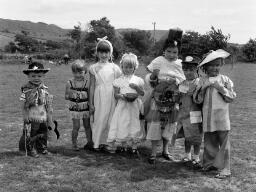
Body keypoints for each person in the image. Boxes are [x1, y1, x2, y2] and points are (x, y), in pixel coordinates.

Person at [193, 49, 236, 179]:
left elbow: (231, 98)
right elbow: (197, 100)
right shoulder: (201, 80)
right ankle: (210, 163)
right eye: (211, 65)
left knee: (224, 143)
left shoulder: (225, 80)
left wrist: (221, 88)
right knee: (209, 141)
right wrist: (204, 88)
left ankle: (226, 168)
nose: (215, 68)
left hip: (222, 118)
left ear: (221, 65)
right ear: (205, 67)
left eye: (217, 65)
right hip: (208, 117)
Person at [144, 29, 186, 164]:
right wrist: (155, 76)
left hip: (173, 99)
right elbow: (150, 77)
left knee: (170, 124)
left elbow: (184, 81)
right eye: (169, 51)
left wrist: (176, 82)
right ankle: (153, 152)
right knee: (155, 124)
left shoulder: (180, 64)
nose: (171, 54)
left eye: (174, 52)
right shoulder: (158, 60)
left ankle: (165, 150)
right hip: (158, 97)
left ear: (178, 52)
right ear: (164, 51)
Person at [107, 53, 145, 154]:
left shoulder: (138, 80)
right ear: (122, 67)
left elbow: (142, 93)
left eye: (130, 67)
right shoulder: (118, 81)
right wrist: (123, 97)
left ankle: (134, 146)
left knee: (134, 124)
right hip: (123, 106)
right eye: (125, 67)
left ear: (134, 68)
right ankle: (123, 144)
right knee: (123, 124)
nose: (127, 69)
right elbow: (116, 95)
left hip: (134, 106)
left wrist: (136, 88)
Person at [89, 36, 122, 151]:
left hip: (112, 96)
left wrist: (118, 99)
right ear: (97, 53)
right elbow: (92, 85)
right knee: (100, 118)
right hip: (99, 96)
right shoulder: (93, 68)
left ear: (110, 53)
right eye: (101, 52)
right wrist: (90, 102)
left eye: (106, 52)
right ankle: (97, 143)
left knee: (111, 119)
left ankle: (110, 143)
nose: (104, 55)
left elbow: (119, 84)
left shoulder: (115, 68)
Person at [173, 55, 203, 169]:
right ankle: (187, 156)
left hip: (196, 114)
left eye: (190, 69)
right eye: (185, 69)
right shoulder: (182, 83)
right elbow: (177, 100)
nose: (188, 72)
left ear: (196, 69)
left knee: (196, 136)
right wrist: (177, 95)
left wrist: (193, 93)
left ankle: (196, 157)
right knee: (187, 136)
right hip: (184, 114)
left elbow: (200, 99)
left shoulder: (199, 83)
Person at [20, 62, 54, 157]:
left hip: (42, 114)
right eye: (33, 76)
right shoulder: (26, 90)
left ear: (43, 76)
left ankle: (42, 148)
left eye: (39, 76)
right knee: (31, 133)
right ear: (28, 76)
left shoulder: (44, 89)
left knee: (43, 131)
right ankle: (31, 149)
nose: (36, 78)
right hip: (31, 114)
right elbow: (22, 104)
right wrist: (25, 115)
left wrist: (49, 112)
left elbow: (47, 101)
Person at [65, 59, 93, 151]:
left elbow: (90, 96)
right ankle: (74, 144)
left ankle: (90, 143)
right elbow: (66, 96)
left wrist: (91, 105)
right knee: (76, 126)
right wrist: (71, 93)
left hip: (85, 107)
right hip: (75, 108)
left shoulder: (87, 83)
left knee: (87, 125)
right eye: (75, 73)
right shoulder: (69, 83)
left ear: (85, 72)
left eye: (80, 73)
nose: (77, 75)